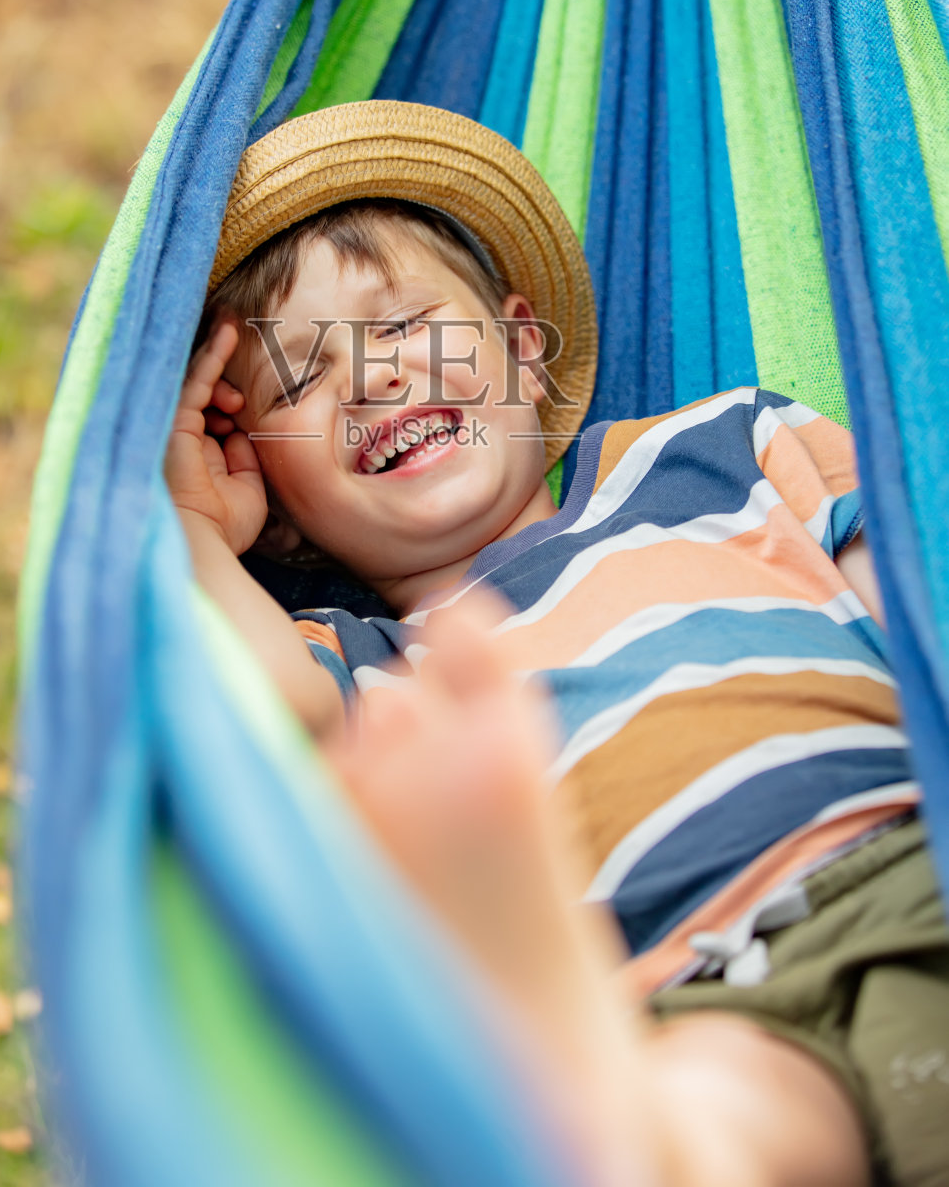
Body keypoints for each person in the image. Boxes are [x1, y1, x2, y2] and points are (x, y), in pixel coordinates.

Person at [165, 100, 949, 1187]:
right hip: (674, 1002)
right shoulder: (366, 668)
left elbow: (919, 598)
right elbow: (268, 716)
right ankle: (598, 1098)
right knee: (719, 1130)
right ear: (278, 503)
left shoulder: (719, 451)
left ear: (522, 349)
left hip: (892, 866)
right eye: (298, 381)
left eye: (401, 327)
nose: (374, 378)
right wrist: (197, 532)